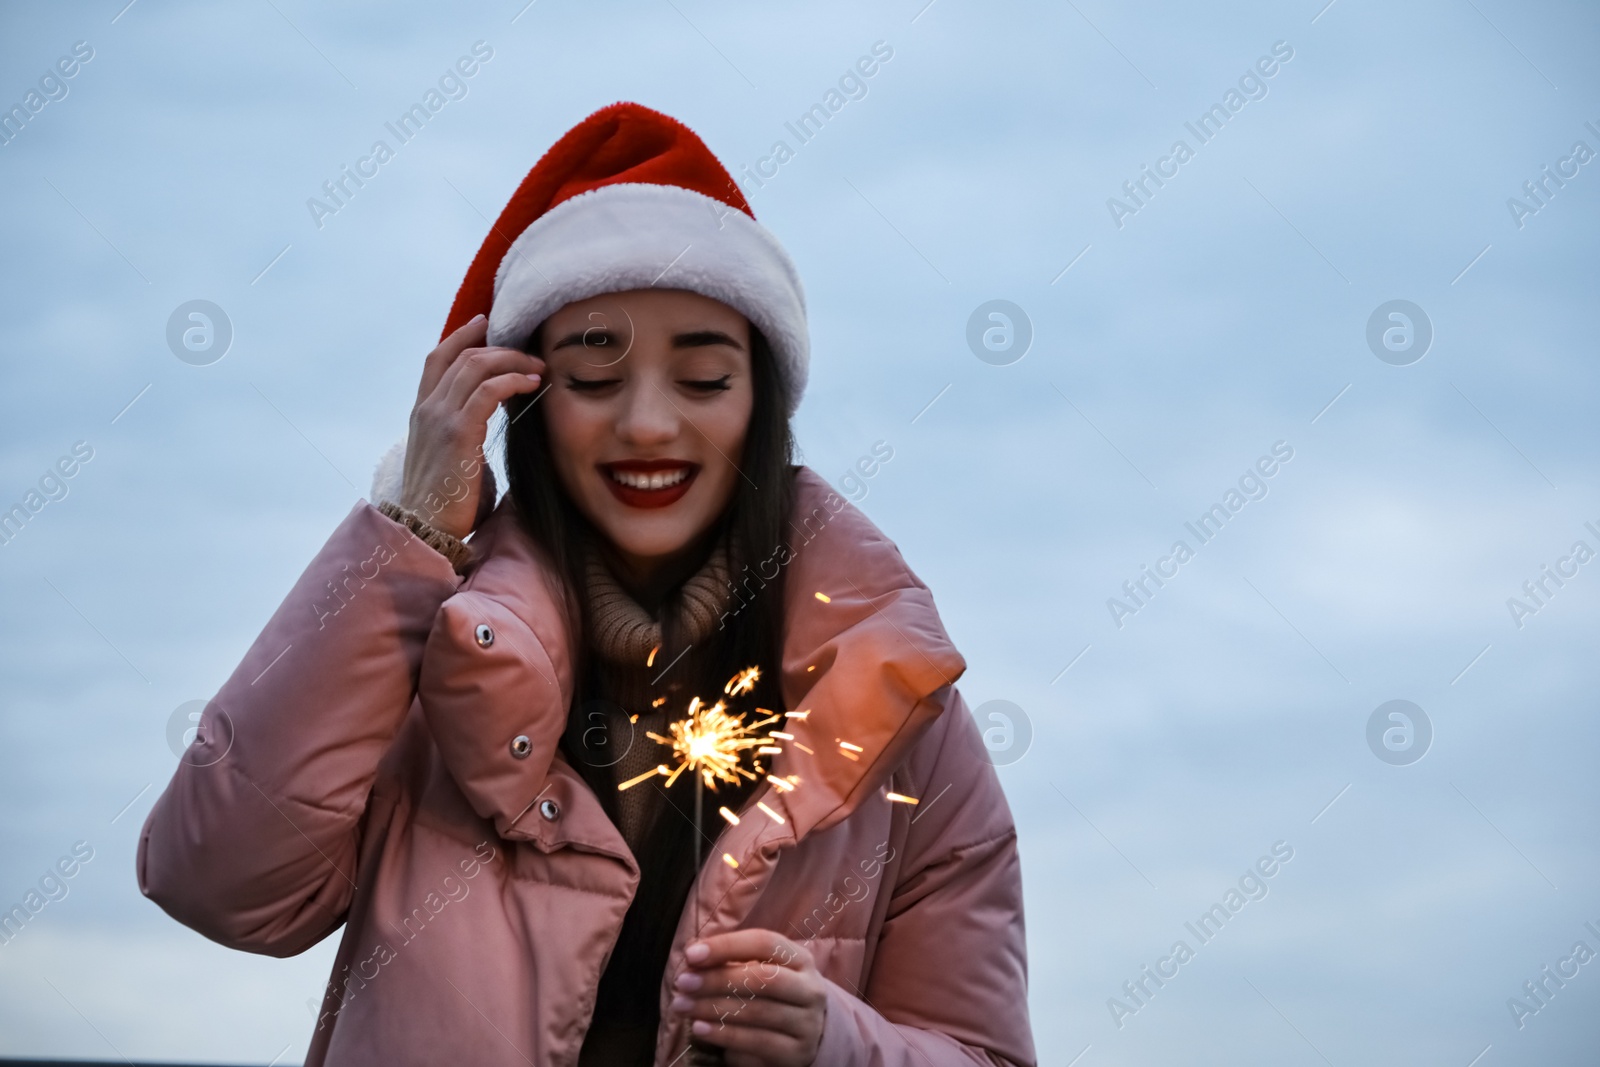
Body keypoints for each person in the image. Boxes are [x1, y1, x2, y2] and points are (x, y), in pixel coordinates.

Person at [137, 102, 1034, 1067]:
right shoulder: (425, 652)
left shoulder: (895, 716)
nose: (648, 425)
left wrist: (837, 1045)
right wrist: (404, 537)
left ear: (764, 406)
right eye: (595, 379)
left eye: (703, 380)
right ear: (522, 401)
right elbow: (217, 882)